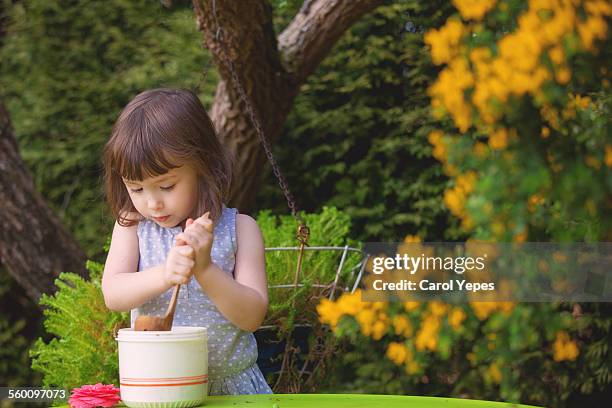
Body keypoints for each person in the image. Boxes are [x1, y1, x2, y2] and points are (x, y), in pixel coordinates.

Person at [101, 88, 272, 395]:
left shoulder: (240, 229)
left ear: (202, 166)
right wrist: (164, 274)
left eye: (166, 186)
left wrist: (205, 269)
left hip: (231, 388)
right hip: (159, 387)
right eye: (136, 189)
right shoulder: (133, 228)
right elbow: (113, 294)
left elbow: (252, 317)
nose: (152, 203)